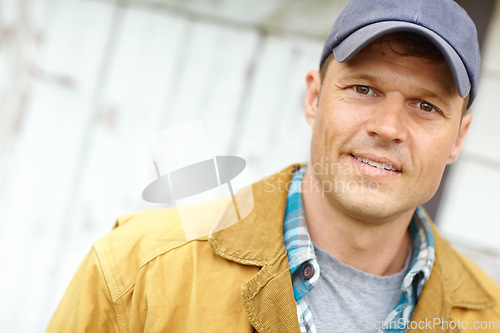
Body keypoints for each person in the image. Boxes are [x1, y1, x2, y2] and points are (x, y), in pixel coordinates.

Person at [48, 0, 500, 332]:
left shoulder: (488, 319)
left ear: (458, 137)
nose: (387, 127)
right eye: (363, 89)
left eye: (425, 105)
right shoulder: (139, 268)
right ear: (313, 97)